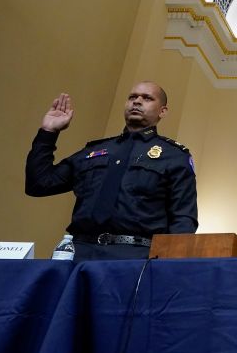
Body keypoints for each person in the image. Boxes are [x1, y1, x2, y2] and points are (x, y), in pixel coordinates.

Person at [25, 82, 198, 260]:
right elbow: (39, 184)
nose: (137, 101)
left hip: (134, 257)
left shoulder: (174, 156)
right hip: (78, 253)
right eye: (132, 97)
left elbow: (183, 218)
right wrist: (48, 132)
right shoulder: (95, 151)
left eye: (147, 98)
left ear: (162, 111)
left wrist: (170, 266)